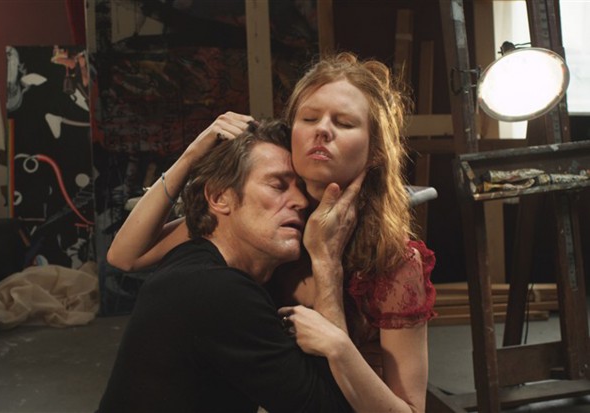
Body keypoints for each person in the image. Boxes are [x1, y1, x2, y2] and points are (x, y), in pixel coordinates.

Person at [107, 52, 436, 412]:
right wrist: (191, 155)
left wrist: (328, 272)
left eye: (344, 123)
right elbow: (126, 255)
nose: (322, 130)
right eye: (308, 118)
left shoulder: (393, 262)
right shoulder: (268, 222)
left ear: (374, 152)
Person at [99, 119, 391, 412]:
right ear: (219, 198)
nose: (301, 201)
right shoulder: (217, 291)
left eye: (302, 188)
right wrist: (326, 261)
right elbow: (333, 410)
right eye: (277, 185)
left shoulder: (199, 257)